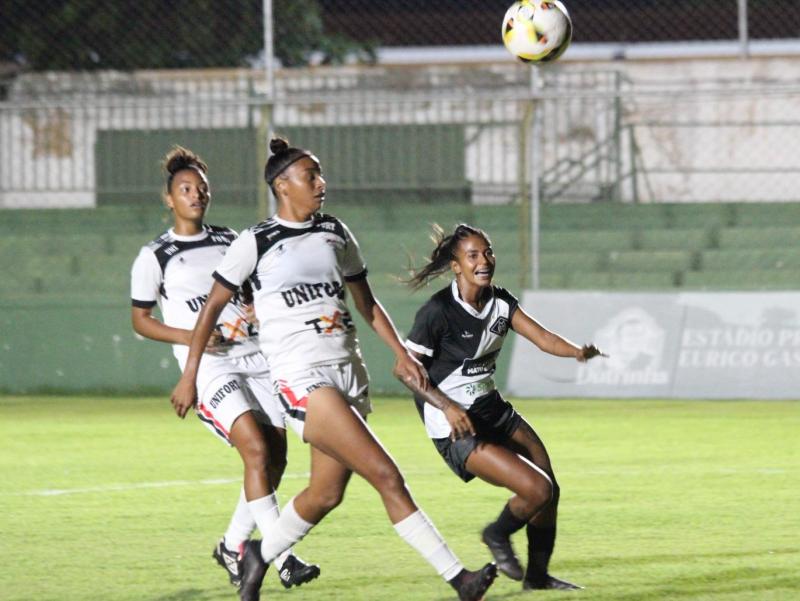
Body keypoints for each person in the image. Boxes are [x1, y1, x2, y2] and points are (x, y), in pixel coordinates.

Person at [170, 137, 498, 601]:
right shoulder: (255, 241)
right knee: (386, 475)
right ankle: (459, 579)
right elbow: (210, 309)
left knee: (325, 494)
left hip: (348, 372)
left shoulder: (334, 231)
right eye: (312, 176)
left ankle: (257, 557)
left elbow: (366, 302)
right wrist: (190, 375)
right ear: (283, 185)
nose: (322, 183)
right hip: (303, 378)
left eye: (320, 175)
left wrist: (400, 352)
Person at [130, 146, 320, 595]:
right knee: (255, 449)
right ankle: (281, 557)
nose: (195, 195)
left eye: (201, 188)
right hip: (209, 365)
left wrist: (254, 309)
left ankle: (233, 545)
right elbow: (140, 320)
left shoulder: (230, 240)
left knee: (275, 458)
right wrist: (189, 341)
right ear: (169, 199)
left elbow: (251, 291)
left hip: (254, 357)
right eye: (185, 189)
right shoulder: (155, 255)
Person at [401, 223, 606, 592]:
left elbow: (543, 338)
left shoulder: (500, 302)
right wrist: (446, 407)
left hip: (491, 408)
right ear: (456, 266)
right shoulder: (438, 311)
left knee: (549, 489)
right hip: (456, 424)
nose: (484, 260)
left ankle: (537, 578)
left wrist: (576, 352)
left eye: (488, 252)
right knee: (537, 490)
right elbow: (405, 370)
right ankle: (496, 533)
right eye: (473, 255)